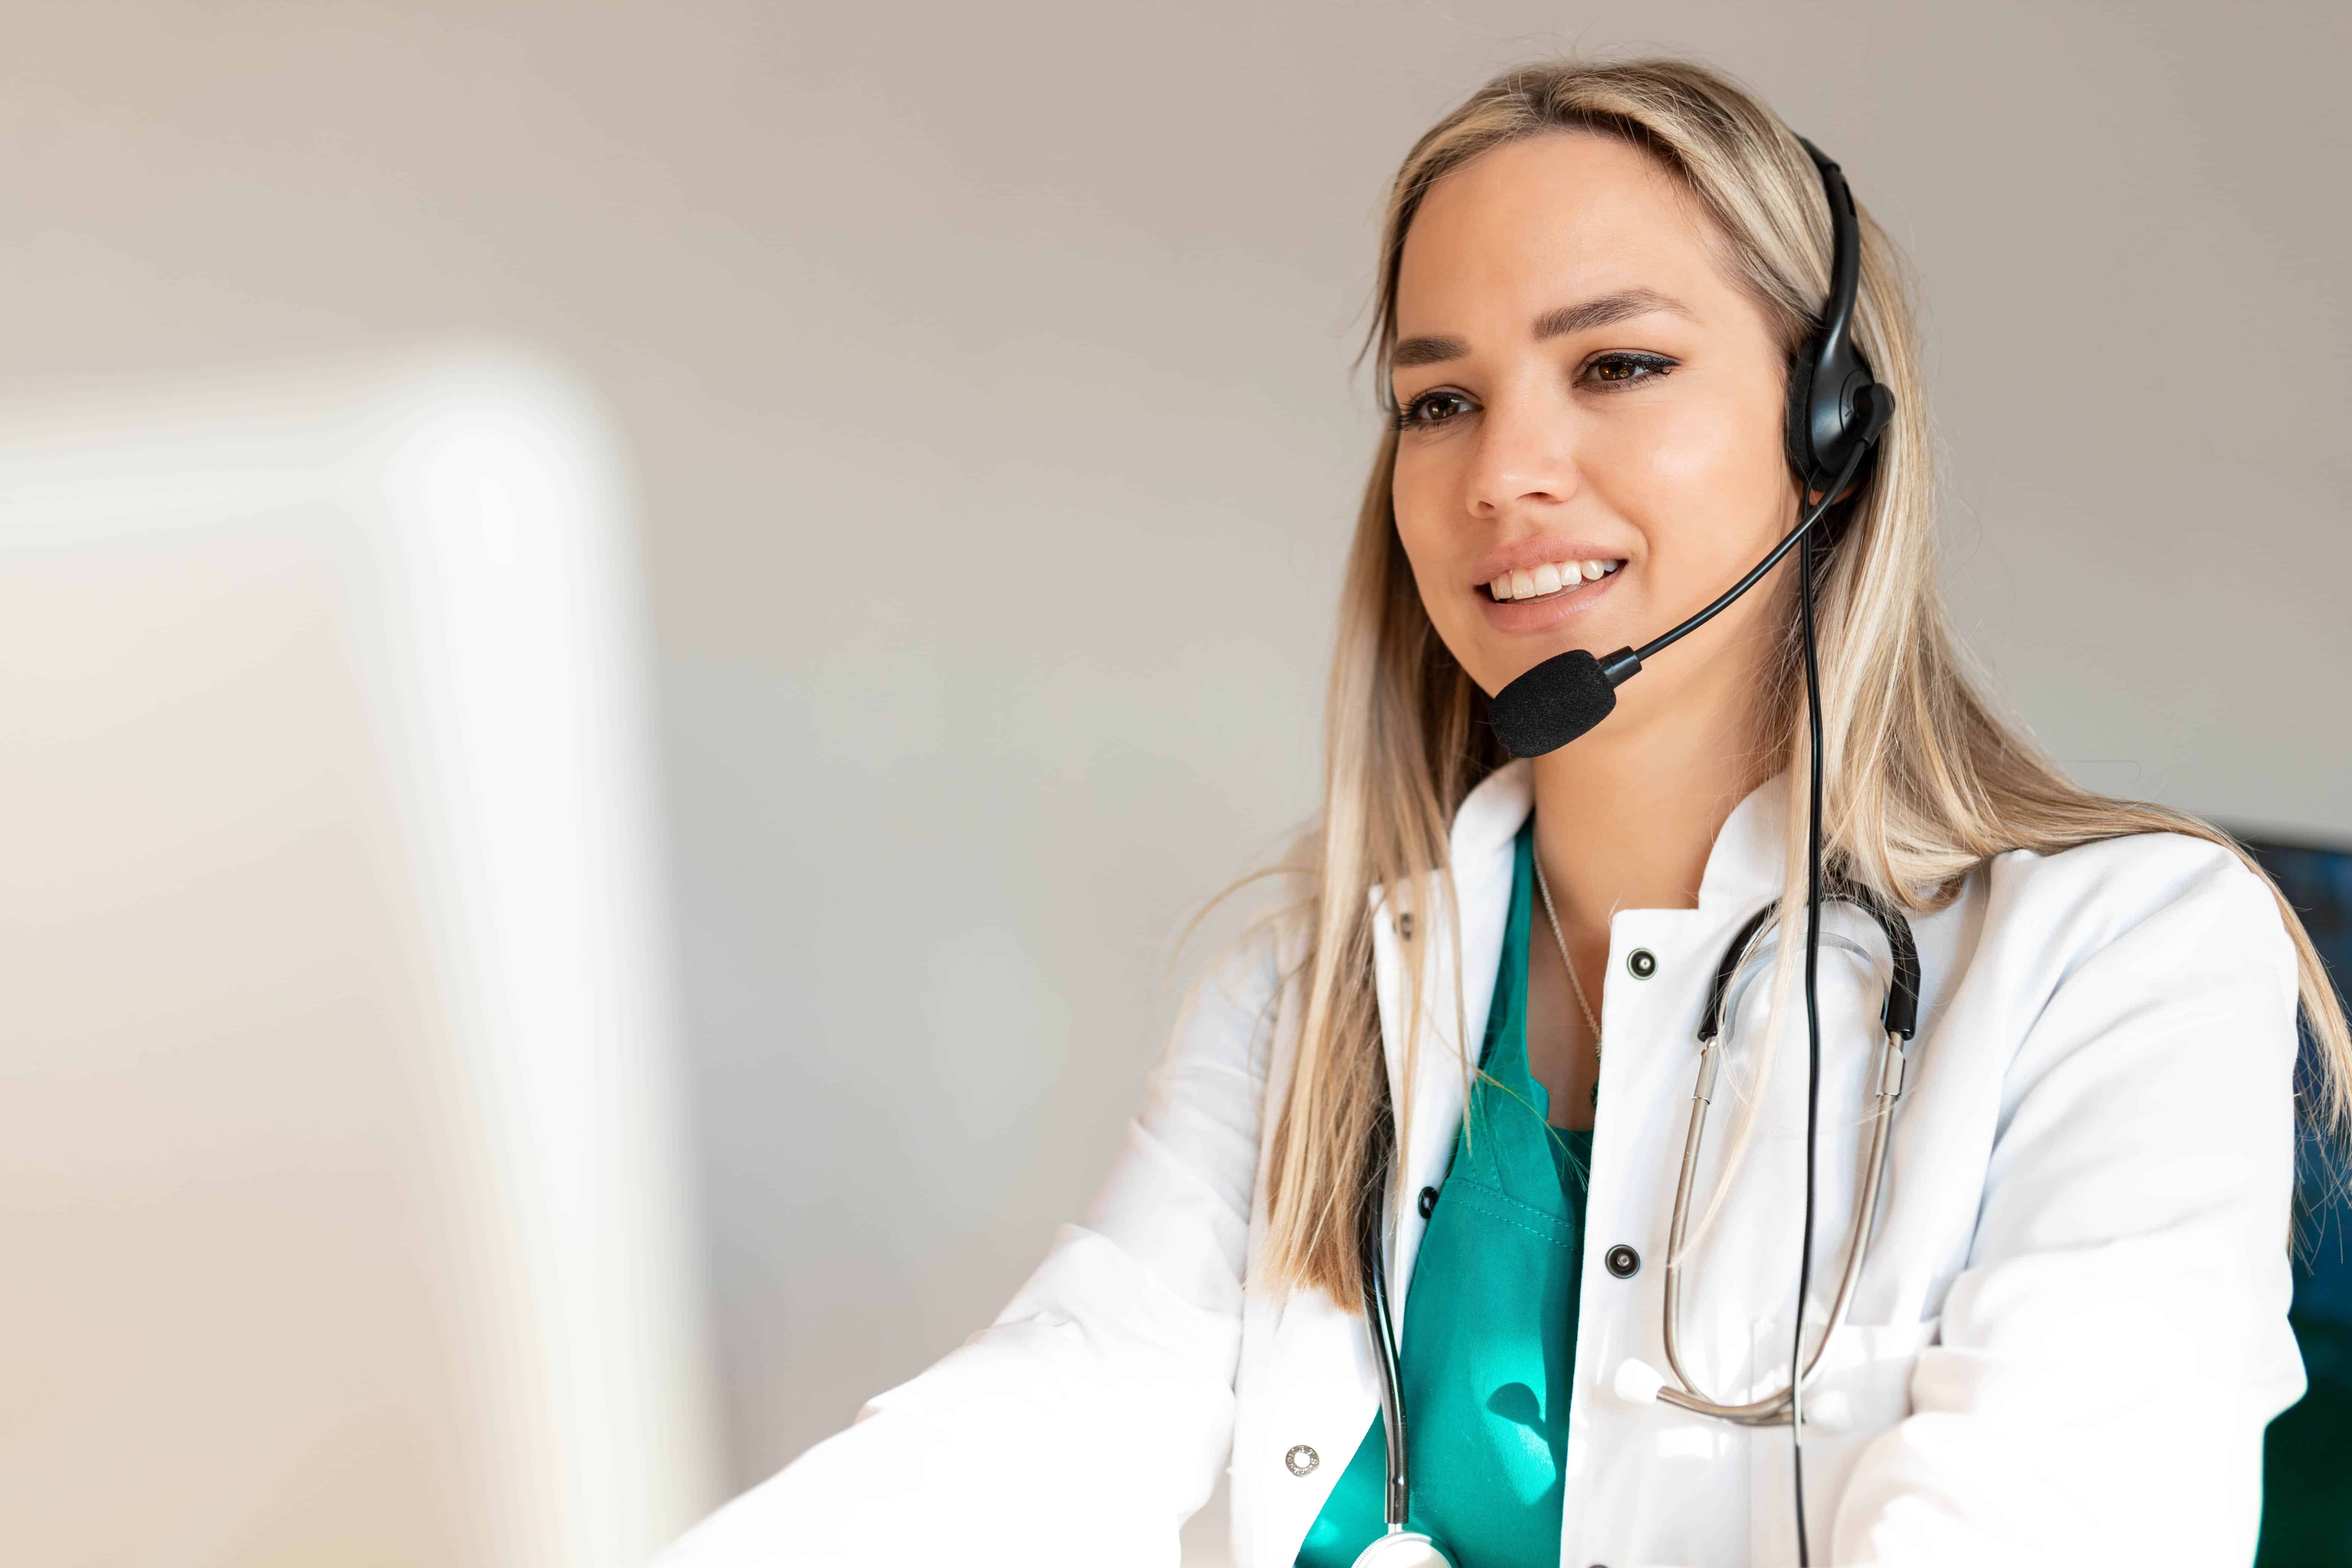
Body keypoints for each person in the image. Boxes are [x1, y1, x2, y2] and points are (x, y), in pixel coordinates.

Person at [657, 54, 2346, 1567]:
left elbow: (2056, 1524)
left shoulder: (2128, 949)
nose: (1501, 473)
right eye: (1439, 398)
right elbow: (1055, 1410)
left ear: (1828, 434)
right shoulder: (1313, 989)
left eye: (1615, 363)